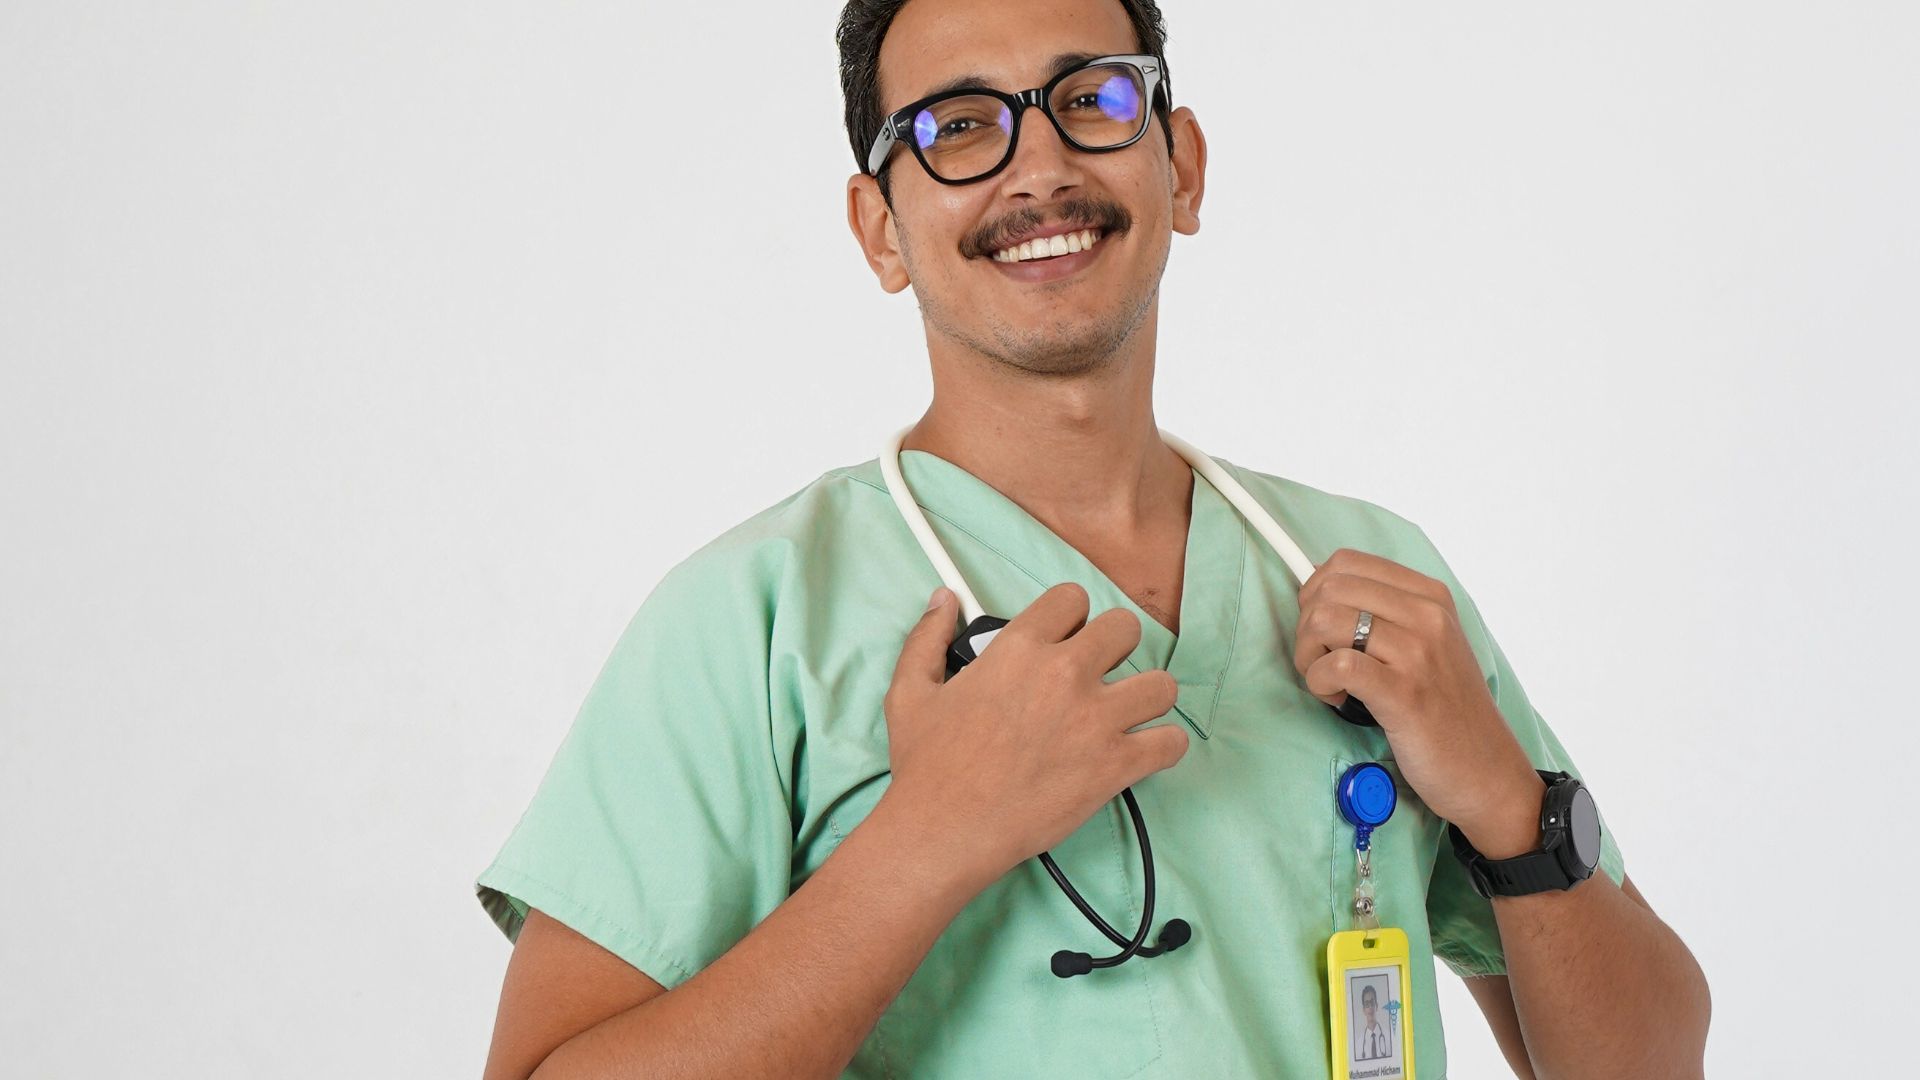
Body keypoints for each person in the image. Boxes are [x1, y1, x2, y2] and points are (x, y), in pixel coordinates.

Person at [474, 1, 1712, 1077]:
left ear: (1181, 165)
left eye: (1092, 98)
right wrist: (923, 844)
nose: (1040, 165)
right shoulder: (751, 620)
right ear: (879, 230)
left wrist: (1506, 799)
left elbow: (1653, 1063)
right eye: (960, 126)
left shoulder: (1363, 574)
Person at [1356, 983, 1391, 1062]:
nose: (1370, 1007)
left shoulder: (1388, 1037)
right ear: (1364, 1010)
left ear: (1377, 1006)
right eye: (1367, 1004)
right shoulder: (1359, 1044)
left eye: (1372, 1003)